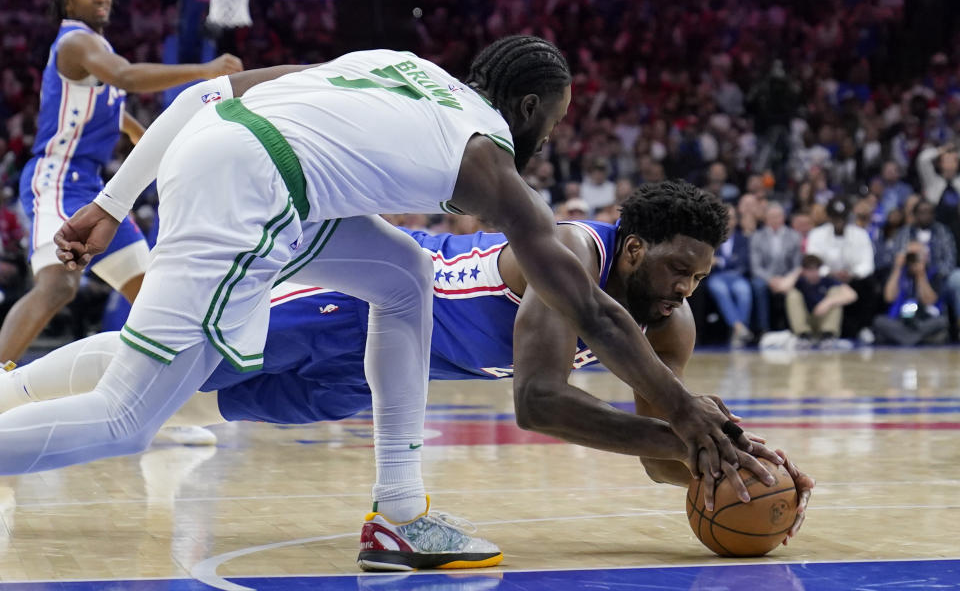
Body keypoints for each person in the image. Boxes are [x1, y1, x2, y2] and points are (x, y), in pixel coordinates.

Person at [3, 37, 759, 568]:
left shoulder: (405, 68)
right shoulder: (491, 162)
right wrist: (687, 416)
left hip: (254, 170)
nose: (550, 138)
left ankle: (398, 512)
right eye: (554, 123)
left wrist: (112, 200)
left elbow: (207, 95)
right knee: (128, 418)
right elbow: (592, 317)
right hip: (253, 186)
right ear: (526, 108)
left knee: (404, 275)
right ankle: (397, 515)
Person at [2, 183, 812, 547]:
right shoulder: (567, 254)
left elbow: (655, 458)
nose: (686, 288)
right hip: (354, 297)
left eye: (700, 276)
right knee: (180, 366)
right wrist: (687, 433)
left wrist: (728, 462)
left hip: (387, 361)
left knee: (222, 400)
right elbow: (539, 404)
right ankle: (12, 387)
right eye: (678, 269)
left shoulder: (669, 330)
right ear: (633, 249)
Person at [0, 0, 241, 364]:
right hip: (57, 177)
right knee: (59, 285)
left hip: (92, 185)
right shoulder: (76, 42)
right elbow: (126, 78)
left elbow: (107, 98)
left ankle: (167, 405)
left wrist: (133, 130)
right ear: (67, 1)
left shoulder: (98, 48)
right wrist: (206, 70)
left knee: (151, 298)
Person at [806, 198, 876, 340]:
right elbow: (811, 262)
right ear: (829, 217)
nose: (839, 221)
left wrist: (853, 274)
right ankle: (821, 330)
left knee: (869, 284)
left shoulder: (860, 234)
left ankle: (863, 328)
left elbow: (868, 264)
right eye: (835, 217)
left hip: (853, 280)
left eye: (842, 217)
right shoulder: (816, 234)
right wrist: (829, 273)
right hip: (826, 280)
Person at [872, 242, 949, 345]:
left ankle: (906, 338)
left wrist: (921, 275)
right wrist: (897, 268)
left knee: (942, 321)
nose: (912, 259)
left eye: (916, 255)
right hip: (900, 321)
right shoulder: (899, 272)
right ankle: (915, 338)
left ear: (925, 257)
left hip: (923, 320)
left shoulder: (933, 273)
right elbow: (888, 297)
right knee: (878, 321)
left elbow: (930, 301)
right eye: (910, 255)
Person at [749, 202, 803, 334]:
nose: (775, 219)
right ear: (766, 219)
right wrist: (771, 280)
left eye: (778, 216)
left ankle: (794, 329)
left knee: (798, 286)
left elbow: (797, 265)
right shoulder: (757, 237)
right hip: (765, 277)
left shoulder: (794, 236)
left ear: (783, 217)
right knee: (758, 286)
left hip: (787, 277)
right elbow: (755, 267)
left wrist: (786, 280)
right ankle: (763, 329)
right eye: (772, 216)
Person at [782, 254, 857, 348]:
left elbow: (852, 295)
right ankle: (803, 336)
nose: (813, 273)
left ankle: (828, 335)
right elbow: (783, 288)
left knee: (836, 293)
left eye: (816, 269)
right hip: (806, 321)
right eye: (809, 269)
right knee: (792, 294)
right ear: (804, 270)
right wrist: (797, 272)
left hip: (823, 321)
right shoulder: (799, 282)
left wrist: (828, 302)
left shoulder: (828, 281)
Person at [706, 205, 753, 347]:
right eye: (724, 217)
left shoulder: (743, 239)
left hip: (736, 276)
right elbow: (708, 260)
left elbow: (742, 261)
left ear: (736, 221)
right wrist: (727, 261)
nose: (728, 221)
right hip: (717, 277)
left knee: (744, 291)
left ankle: (737, 331)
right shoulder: (711, 239)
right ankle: (740, 328)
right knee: (720, 290)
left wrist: (720, 261)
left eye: (731, 218)